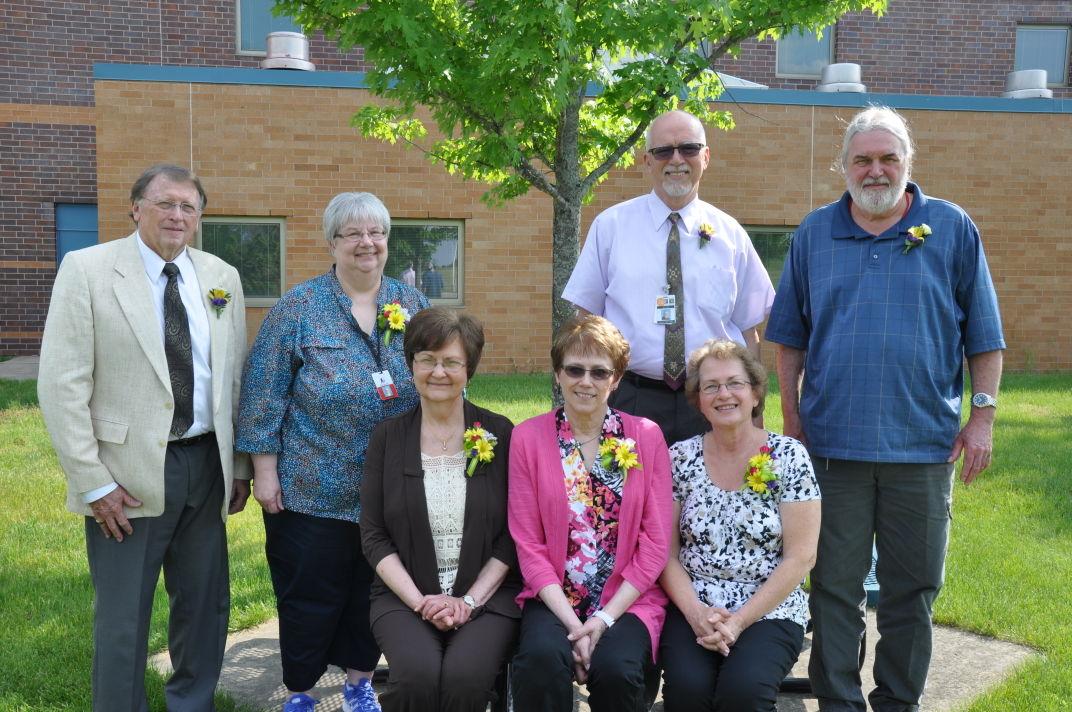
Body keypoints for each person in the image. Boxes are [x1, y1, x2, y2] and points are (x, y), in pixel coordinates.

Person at [765, 106, 1005, 712]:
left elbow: (985, 334)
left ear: (907, 164)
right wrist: (793, 423)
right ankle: (839, 702)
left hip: (922, 448)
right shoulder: (815, 233)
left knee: (911, 591)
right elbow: (788, 336)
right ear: (843, 165)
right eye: (863, 160)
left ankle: (899, 701)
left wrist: (981, 419)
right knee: (835, 589)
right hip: (832, 450)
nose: (876, 171)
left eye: (887, 158)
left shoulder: (949, 228)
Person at [37, 163, 251, 711]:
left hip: (206, 468)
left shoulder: (221, 276)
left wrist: (239, 468)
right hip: (125, 480)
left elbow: (233, 378)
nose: (177, 216)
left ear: (200, 216)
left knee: (205, 608)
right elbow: (62, 385)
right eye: (165, 203)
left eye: (188, 206)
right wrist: (92, 481)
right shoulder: (87, 269)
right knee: (122, 620)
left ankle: (191, 704)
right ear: (136, 208)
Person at [237, 192, 429, 712]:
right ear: (332, 242)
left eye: (377, 232)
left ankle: (359, 684)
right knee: (308, 594)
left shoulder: (412, 306)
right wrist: (264, 470)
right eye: (353, 234)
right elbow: (263, 391)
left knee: (373, 592)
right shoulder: (298, 307)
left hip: (390, 489)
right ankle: (299, 692)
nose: (367, 243)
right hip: (310, 487)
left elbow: (438, 377)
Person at [562, 109, 775, 445]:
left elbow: (749, 332)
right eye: (664, 151)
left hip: (711, 401)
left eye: (688, 148)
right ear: (647, 161)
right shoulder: (610, 227)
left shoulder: (730, 234)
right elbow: (584, 321)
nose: (677, 159)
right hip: (629, 396)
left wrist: (755, 417)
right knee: (628, 496)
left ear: (706, 156)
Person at [508, 314, 672, 712]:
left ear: (616, 379)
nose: (586, 381)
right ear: (558, 374)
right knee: (541, 662)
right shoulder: (527, 437)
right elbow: (528, 545)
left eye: (599, 372)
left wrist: (603, 620)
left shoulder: (646, 436)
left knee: (619, 670)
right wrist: (574, 626)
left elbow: (656, 543)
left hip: (626, 598)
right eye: (574, 369)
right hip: (554, 597)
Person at [361, 307, 520, 711]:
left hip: (488, 598)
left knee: (464, 680)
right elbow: (374, 535)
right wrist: (420, 602)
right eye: (427, 360)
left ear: (469, 370)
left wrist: (468, 602)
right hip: (404, 597)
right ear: (411, 364)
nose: (438, 372)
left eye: (451, 362)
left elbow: (516, 532)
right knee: (416, 677)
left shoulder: (500, 433)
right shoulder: (388, 438)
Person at [658, 340, 821, 711]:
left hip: (769, 606)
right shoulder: (679, 457)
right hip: (692, 604)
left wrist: (739, 621)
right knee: (687, 690)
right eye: (711, 386)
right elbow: (666, 554)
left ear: (755, 393)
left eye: (735, 383)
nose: (724, 394)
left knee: (743, 694)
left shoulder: (789, 457)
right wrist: (697, 613)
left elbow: (801, 557)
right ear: (698, 399)